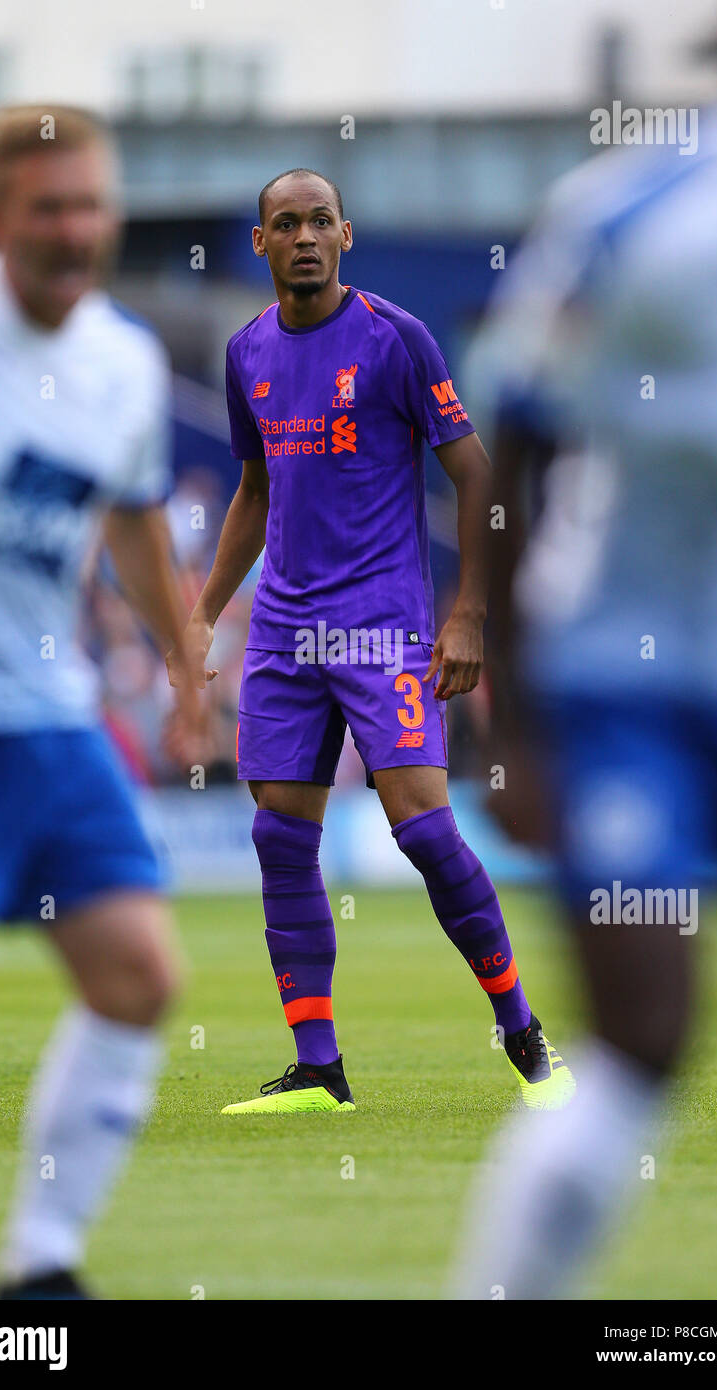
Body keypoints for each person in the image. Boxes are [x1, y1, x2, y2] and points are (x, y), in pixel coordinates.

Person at [453, 0, 717, 1297]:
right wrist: (515, 720)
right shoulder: (636, 219)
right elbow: (505, 448)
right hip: (626, 687)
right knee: (644, 1033)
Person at [169, 167, 574, 1114]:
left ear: (344, 236)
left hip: (378, 627)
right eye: (285, 224)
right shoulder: (245, 353)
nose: (304, 236)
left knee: (426, 831)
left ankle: (525, 1038)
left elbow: (475, 477)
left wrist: (466, 612)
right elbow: (254, 492)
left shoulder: (396, 339)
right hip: (283, 632)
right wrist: (201, 610)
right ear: (262, 243)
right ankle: (319, 1068)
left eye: (319, 221)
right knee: (279, 837)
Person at [0, 105, 198, 1299]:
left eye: (90, 206)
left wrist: (191, 667)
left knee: (139, 974)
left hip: (47, 714)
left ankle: (38, 1274)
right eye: (49, 209)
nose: (75, 231)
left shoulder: (125, 360)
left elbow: (130, 517)